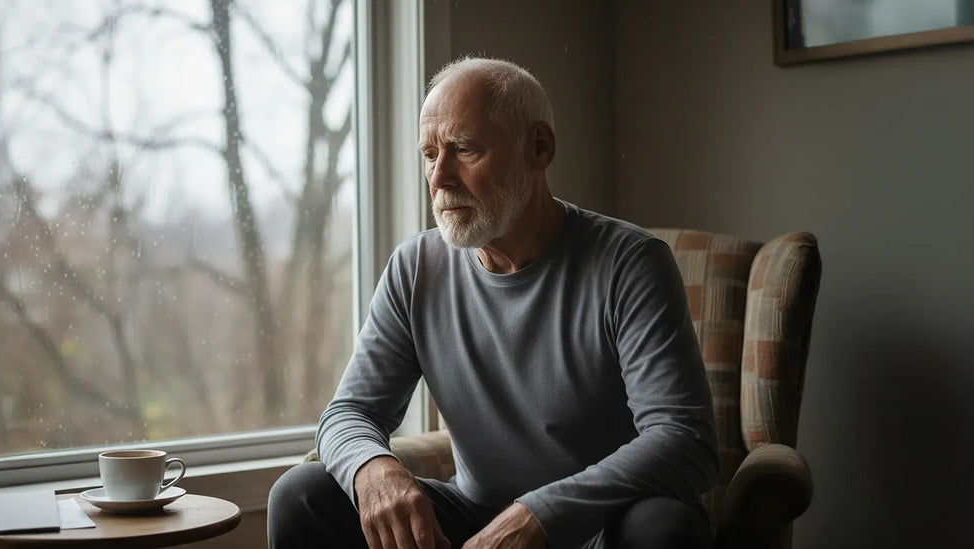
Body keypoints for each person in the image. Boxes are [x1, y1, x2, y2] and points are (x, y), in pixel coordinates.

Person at [268, 56, 717, 549]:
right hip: (472, 519)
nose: (439, 178)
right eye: (429, 153)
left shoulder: (629, 263)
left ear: (539, 147)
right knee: (302, 494)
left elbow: (684, 440)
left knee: (665, 528)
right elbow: (348, 412)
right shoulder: (415, 268)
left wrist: (537, 515)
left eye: (463, 149)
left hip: (598, 527)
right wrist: (375, 470)